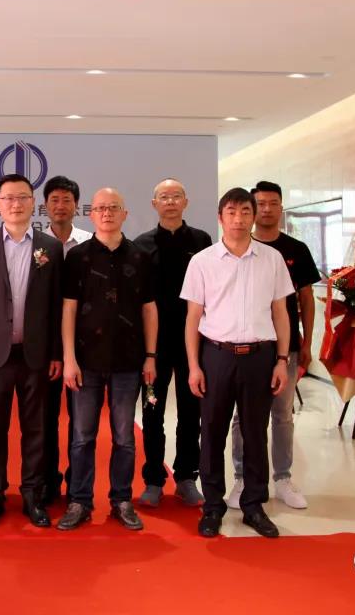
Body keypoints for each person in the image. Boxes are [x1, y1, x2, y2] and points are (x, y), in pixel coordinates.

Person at [181, 187, 293, 539]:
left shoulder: (272, 259)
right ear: (220, 217)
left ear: (253, 216)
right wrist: (194, 366)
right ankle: (213, 506)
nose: (239, 218)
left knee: (255, 432)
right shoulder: (202, 261)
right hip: (216, 356)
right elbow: (193, 317)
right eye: (231, 212)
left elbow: (280, 312)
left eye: (245, 211)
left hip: (260, 357)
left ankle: (253, 505)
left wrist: (281, 360)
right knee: (212, 431)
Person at [0, 177, 62, 527]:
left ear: (33, 203)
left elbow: (55, 306)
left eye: (22, 197)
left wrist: (56, 353)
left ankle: (33, 494)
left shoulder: (50, 246)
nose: (15, 204)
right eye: (8, 198)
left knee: (36, 428)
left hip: (36, 354)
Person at [57, 188, 157, 532]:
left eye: (114, 207)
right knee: (82, 436)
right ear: (91, 214)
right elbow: (68, 309)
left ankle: (121, 500)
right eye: (100, 208)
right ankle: (79, 501)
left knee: (124, 437)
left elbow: (149, 309)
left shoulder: (141, 256)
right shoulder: (78, 256)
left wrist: (150, 356)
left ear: (125, 214)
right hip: (85, 362)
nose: (107, 213)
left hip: (129, 362)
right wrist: (69, 358)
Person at [226, 181, 320, 511]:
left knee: (282, 414)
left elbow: (306, 299)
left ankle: (282, 478)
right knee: (242, 416)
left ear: (281, 207)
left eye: (273, 203)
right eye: (260, 204)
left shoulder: (295, 249)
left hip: (285, 346)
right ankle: (241, 477)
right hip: (246, 346)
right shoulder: (238, 247)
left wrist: (306, 341)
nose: (266, 209)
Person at [134, 179, 212, 508]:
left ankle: (186, 478)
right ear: (154, 204)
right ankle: (154, 479)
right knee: (152, 410)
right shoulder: (141, 245)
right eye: (164, 197)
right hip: (154, 347)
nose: (170, 202)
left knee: (191, 411)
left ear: (186, 202)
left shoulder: (201, 241)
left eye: (176, 196)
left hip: (193, 344)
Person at [40, 174, 91, 503]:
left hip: (81, 342)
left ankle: (77, 484)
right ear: (45, 205)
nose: (60, 206)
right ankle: (48, 480)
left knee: (80, 420)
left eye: (66, 200)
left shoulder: (89, 242)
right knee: (45, 417)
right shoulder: (34, 242)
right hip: (44, 341)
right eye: (54, 200)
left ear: (76, 205)